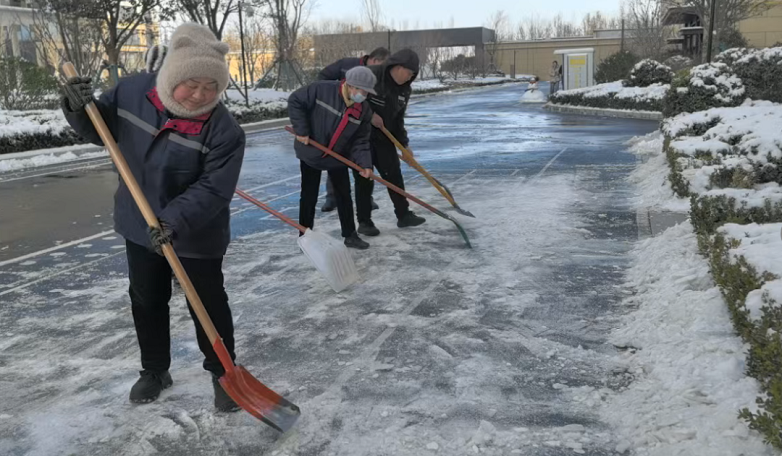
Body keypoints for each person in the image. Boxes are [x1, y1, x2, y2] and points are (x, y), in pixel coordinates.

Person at [61, 23, 245, 412]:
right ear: (173, 75)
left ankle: (223, 374)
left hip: (195, 230)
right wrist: (78, 107)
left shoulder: (224, 131)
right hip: (138, 221)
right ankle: (155, 370)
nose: (201, 95)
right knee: (147, 299)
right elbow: (100, 129)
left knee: (208, 303)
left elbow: (214, 189)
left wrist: (171, 222)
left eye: (211, 87)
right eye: (192, 84)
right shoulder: (131, 92)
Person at [288, 66, 376, 250]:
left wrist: (365, 164)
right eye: (361, 91)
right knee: (309, 195)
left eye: (367, 92)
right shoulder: (321, 90)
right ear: (350, 85)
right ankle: (305, 236)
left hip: (338, 154)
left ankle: (350, 235)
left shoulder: (363, 110)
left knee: (343, 194)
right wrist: (302, 130)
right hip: (311, 149)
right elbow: (295, 100)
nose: (364, 95)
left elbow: (361, 140)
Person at [355, 48, 426, 237]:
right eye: (409, 73)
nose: (410, 77)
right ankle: (365, 222)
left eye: (413, 75)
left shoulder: (405, 89)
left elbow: (398, 120)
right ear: (398, 67)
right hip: (361, 138)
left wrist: (404, 145)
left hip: (384, 137)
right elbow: (351, 97)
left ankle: (403, 215)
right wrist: (369, 115)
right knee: (365, 178)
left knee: (394, 174)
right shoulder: (371, 75)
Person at [318, 47, 390, 213]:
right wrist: (335, 96)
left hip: (361, 118)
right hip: (339, 118)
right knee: (335, 156)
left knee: (363, 156)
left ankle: (366, 198)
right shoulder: (345, 65)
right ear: (375, 60)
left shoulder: (375, 76)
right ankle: (332, 197)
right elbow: (322, 77)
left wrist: (371, 114)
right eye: (382, 65)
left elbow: (373, 98)